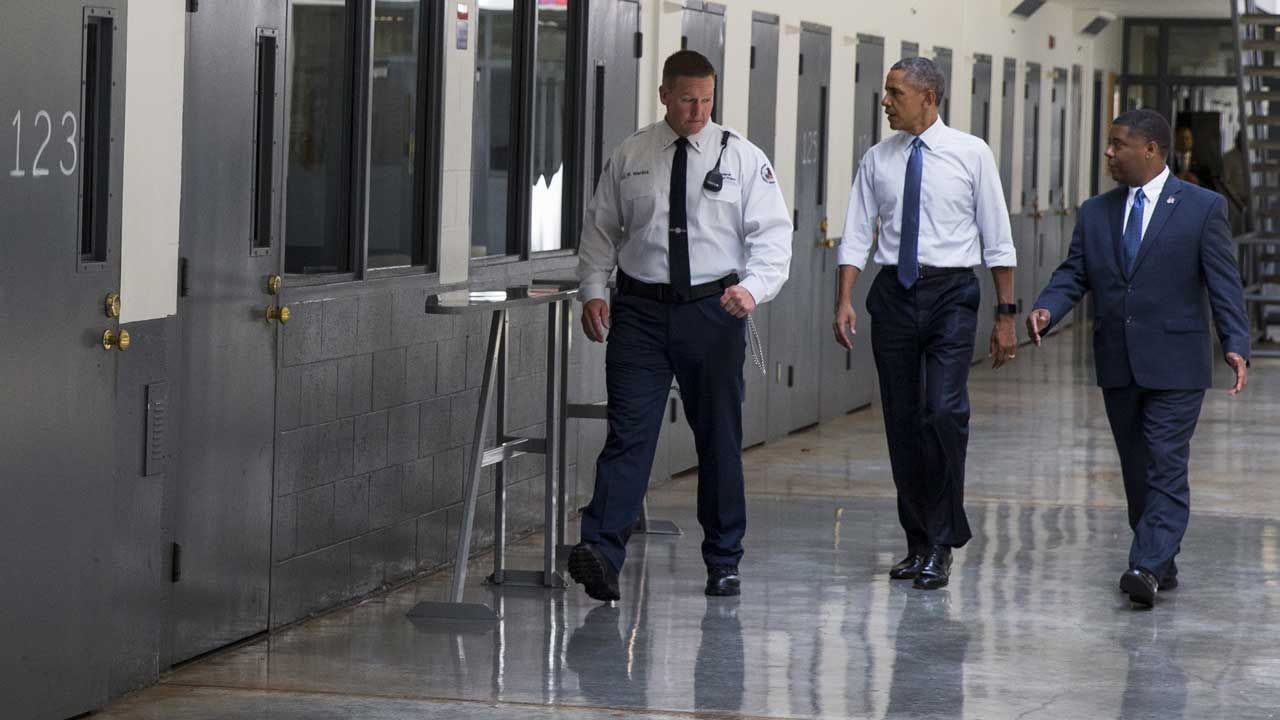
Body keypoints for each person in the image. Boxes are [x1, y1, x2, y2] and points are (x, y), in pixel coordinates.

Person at [570, 50, 792, 602]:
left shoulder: (740, 157)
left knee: (718, 438)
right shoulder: (632, 154)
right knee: (629, 434)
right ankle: (600, 553)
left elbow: (773, 237)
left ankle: (723, 559)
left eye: (707, 99)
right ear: (665, 94)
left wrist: (752, 289)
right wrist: (594, 292)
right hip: (640, 314)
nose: (698, 110)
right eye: (688, 99)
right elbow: (601, 232)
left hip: (713, 312)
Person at [1027, 108, 1250, 608]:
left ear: (1150, 149)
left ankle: (1145, 566)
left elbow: (1223, 282)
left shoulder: (1202, 208)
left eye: (1116, 144)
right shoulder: (1095, 211)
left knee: (1165, 466)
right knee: (1135, 468)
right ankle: (1161, 559)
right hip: (1118, 362)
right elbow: (1074, 273)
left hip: (1178, 363)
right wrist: (1047, 307)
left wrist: (1236, 343)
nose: (1108, 153)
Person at [833, 57, 1018, 591]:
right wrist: (844, 298)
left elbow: (997, 237)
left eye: (894, 92)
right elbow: (855, 234)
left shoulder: (970, 154)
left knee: (942, 410)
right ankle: (920, 543)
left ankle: (942, 537)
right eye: (885, 91)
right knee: (903, 421)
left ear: (928, 98)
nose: (885, 101)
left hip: (952, 294)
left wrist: (1005, 315)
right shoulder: (877, 159)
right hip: (893, 293)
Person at [1218, 130, 1249, 236]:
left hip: (1249, 203)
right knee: (1234, 235)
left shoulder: (1250, 158)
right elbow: (1225, 183)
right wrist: (1238, 201)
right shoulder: (1229, 158)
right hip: (1233, 204)